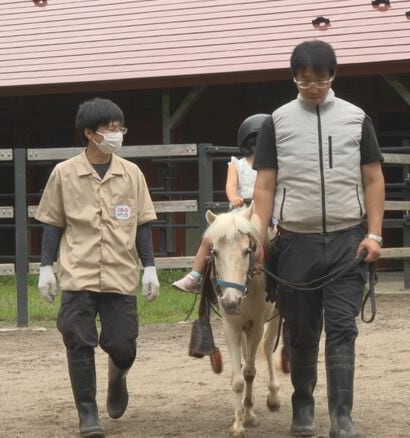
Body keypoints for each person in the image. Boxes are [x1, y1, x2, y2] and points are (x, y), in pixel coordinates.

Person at [251, 40, 385, 438]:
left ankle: (341, 415)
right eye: (303, 79)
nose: (312, 86)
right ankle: (303, 404)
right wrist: (259, 238)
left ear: (334, 76)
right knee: (303, 329)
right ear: (294, 77)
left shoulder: (356, 118)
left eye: (320, 79)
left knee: (343, 328)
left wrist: (374, 233)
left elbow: (374, 177)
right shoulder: (277, 121)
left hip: (348, 240)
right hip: (295, 241)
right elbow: (264, 186)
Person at [35, 97, 160, 438]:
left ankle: (117, 376)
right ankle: (87, 414)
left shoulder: (132, 174)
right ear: (89, 133)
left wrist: (149, 266)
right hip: (79, 272)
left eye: (120, 127)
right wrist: (45, 267)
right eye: (109, 128)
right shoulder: (64, 173)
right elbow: (52, 222)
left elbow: (143, 223)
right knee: (78, 338)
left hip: (120, 274)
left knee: (123, 344)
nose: (116, 134)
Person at [171, 113, 269, 293]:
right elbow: (231, 186)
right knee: (210, 237)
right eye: (257, 143)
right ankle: (195, 275)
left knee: (281, 240)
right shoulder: (236, 164)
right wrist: (233, 198)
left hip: (266, 212)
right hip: (241, 211)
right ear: (251, 144)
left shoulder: (272, 166)